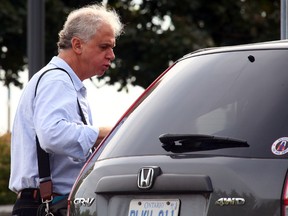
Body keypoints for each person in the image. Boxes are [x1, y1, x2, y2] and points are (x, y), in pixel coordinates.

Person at [9, 3, 123, 215]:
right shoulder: (57, 80)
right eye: (104, 47)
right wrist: (101, 134)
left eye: (112, 48)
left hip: (46, 204)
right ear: (77, 45)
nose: (111, 55)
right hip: (46, 206)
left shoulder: (62, 81)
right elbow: (52, 135)